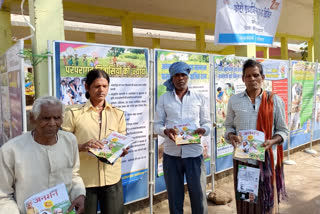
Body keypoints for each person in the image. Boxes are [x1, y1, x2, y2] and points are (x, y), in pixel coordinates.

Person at [0, 96, 85, 214]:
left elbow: (73, 175)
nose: (52, 123)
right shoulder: (11, 151)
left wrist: (80, 194)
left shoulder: (70, 141)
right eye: (46, 118)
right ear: (32, 119)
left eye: (57, 118)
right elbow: (3, 196)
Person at [224, 59, 289, 214]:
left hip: (266, 162)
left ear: (262, 77)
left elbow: (283, 131)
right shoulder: (234, 101)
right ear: (243, 79)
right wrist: (231, 135)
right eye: (248, 76)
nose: (252, 79)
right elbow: (228, 127)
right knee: (246, 204)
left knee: (266, 203)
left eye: (256, 75)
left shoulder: (274, 100)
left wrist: (272, 141)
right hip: (243, 161)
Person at [61, 69, 129, 214]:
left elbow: (123, 141)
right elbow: (61, 144)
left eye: (105, 86)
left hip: (111, 179)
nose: (101, 90)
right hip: (84, 181)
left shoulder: (118, 113)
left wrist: (122, 150)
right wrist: (81, 146)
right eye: (97, 86)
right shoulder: (73, 113)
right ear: (87, 87)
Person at [154, 61, 211, 214]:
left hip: (194, 154)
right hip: (171, 155)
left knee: (199, 197)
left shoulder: (199, 98)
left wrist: (203, 130)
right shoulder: (164, 98)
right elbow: (156, 124)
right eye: (177, 75)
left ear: (188, 77)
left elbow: (207, 123)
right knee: (174, 198)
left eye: (183, 75)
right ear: (172, 78)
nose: (180, 78)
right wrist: (166, 131)